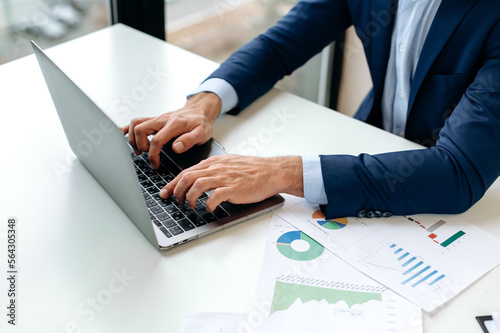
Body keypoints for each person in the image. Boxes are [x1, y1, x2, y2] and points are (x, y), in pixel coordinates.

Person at [122, 0, 500, 219]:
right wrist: (205, 103)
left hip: (447, 198)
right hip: (366, 145)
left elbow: (458, 172)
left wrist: (281, 172)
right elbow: (281, 45)